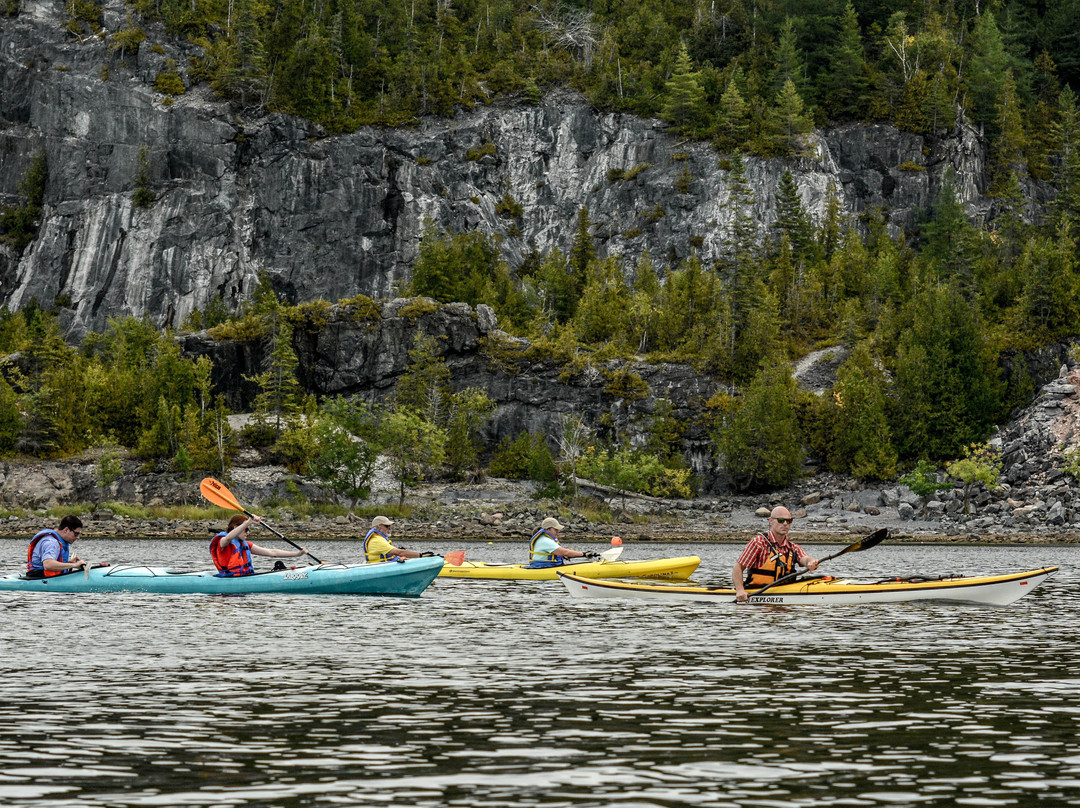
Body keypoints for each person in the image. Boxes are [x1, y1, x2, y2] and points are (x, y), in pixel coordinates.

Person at [732, 506, 819, 602]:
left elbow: (805, 559)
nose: (785, 524)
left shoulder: (793, 547)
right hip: (757, 594)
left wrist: (811, 562)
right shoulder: (758, 543)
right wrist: (740, 590)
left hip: (784, 593)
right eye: (781, 520)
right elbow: (738, 568)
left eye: (789, 521)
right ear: (771, 521)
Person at [210, 514, 307, 577]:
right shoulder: (223, 542)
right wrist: (248, 522)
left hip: (244, 577)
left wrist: (297, 554)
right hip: (230, 579)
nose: (248, 532)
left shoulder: (245, 544)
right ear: (236, 527)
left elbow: (272, 553)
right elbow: (228, 538)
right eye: (246, 529)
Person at [527, 517, 597, 568]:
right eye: (556, 529)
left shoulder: (544, 539)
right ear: (548, 529)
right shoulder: (545, 541)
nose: (558, 531)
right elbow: (565, 552)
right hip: (542, 568)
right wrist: (584, 554)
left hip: (546, 566)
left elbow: (562, 553)